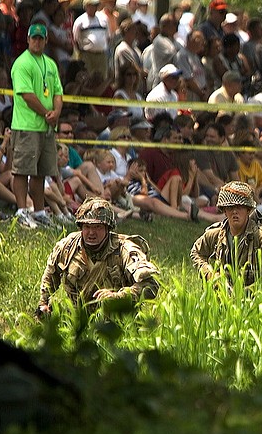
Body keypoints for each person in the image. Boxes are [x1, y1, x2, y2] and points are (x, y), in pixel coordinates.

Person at [37, 197, 160, 316]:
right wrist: (43, 303)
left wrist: (119, 297)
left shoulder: (125, 249)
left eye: (97, 227)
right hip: (77, 319)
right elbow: (50, 275)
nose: (91, 232)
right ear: (81, 227)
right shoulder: (68, 247)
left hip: (118, 319)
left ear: (108, 229)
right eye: (87, 227)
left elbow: (151, 284)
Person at [10, 23, 64, 229]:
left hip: (46, 127)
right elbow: (26, 95)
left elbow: (58, 92)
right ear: (28, 39)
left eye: (41, 38)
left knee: (41, 171)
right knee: (22, 170)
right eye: (34, 38)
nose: (37, 41)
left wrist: (56, 112)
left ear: (46, 40)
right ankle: (22, 210)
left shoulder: (50, 64)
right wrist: (47, 113)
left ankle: (40, 212)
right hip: (27, 126)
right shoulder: (22, 63)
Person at [190, 181, 262, 287]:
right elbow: (196, 252)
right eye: (230, 207)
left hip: (253, 297)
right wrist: (210, 274)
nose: (235, 211)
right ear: (224, 211)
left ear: (248, 210)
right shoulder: (216, 234)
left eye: (240, 207)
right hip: (222, 297)